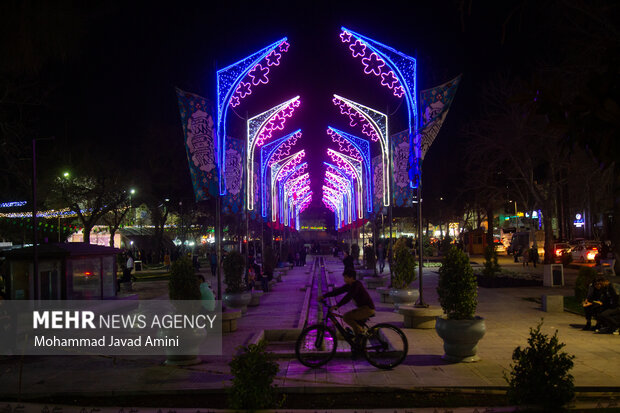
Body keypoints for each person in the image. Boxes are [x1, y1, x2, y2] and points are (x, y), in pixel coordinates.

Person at [319, 268, 375, 342]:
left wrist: (337, 305)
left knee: (347, 317)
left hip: (367, 309)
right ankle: (360, 348)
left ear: (351, 278)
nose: (344, 279)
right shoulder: (349, 285)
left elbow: (348, 297)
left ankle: (361, 331)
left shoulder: (356, 285)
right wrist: (324, 296)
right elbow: (338, 291)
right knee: (356, 331)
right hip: (362, 308)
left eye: (345, 277)